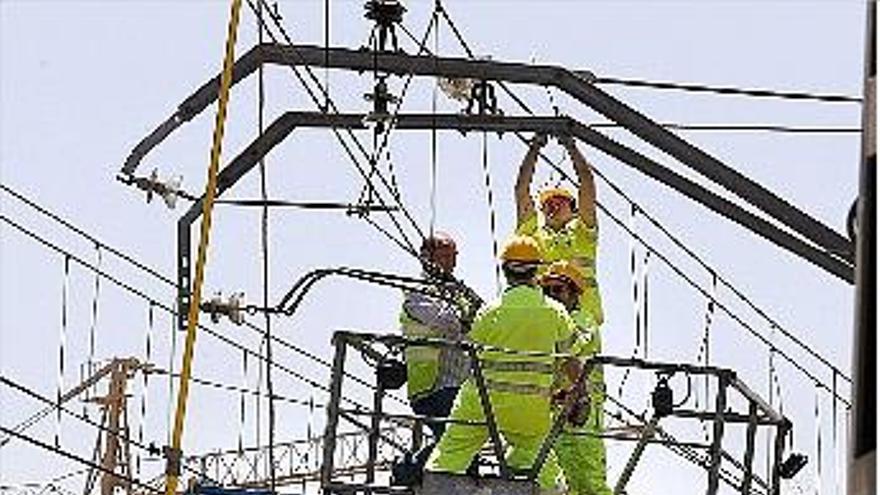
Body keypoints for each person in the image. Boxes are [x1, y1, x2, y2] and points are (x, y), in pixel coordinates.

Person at [427, 236, 575, 494]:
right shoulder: (556, 313)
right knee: (539, 459)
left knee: (450, 454)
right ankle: (552, 490)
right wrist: (578, 395)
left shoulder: (488, 312)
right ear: (537, 271)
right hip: (529, 408)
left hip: (482, 404)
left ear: (505, 271)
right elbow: (572, 363)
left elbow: (470, 353)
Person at [515, 133, 604, 326]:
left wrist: (571, 146)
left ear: (574, 211)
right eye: (547, 203)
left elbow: (587, 183)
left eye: (560, 202)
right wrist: (535, 147)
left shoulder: (582, 232)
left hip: (581, 319)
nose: (552, 206)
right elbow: (522, 190)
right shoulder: (531, 234)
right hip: (541, 319)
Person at [540, 261, 611, 495]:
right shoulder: (551, 322)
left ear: (573, 293)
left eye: (558, 290)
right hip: (558, 407)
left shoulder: (584, 320)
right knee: (564, 478)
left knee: (590, 478)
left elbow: (569, 348)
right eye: (547, 290)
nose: (552, 295)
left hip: (584, 411)